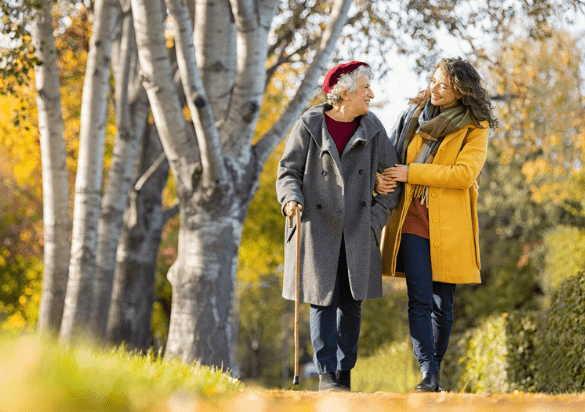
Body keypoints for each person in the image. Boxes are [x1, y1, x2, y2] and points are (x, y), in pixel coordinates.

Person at [276, 61, 401, 392]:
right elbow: (288, 171)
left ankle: (345, 373)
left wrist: (374, 220)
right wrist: (290, 199)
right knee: (322, 300)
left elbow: (392, 180)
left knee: (351, 303)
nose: (371, 95)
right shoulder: (309, 124)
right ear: (343, 93)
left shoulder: (373, 127)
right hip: (317, 227)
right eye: (365, 89)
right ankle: (327, 374)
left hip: (359, 228)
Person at [376, 57, 498, 392]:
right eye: (433, 80)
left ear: (460, 92)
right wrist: (381, 177)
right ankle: (428, 373)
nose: (434, 89)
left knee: (444, 305)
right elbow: (389, 156)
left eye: (443, 85)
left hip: (450, 226)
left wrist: (412, 173)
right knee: (419, 298)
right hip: (412, 218)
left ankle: (434, 372)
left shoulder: (475, 127)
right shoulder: (413, 115)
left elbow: (463, 175)